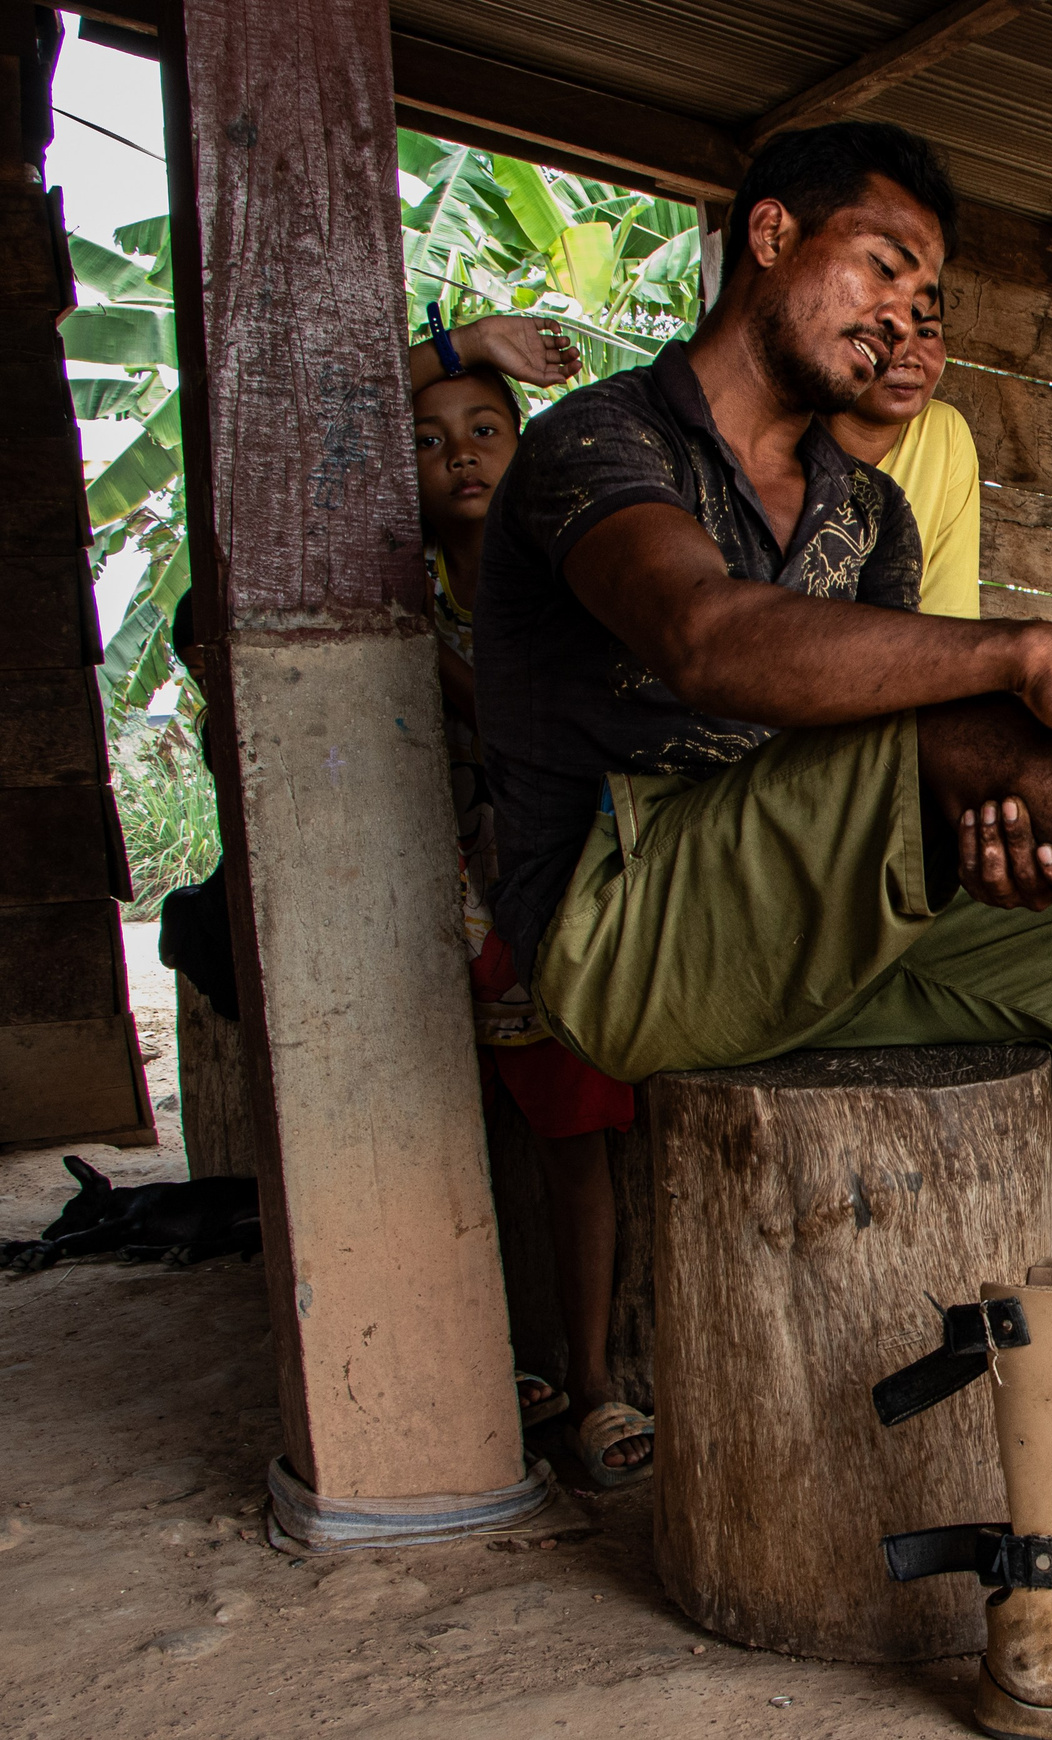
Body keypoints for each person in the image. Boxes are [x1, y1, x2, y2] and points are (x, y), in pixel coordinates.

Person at [472, 119, 1052, 1699]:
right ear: (771, 236)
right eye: (882, 267)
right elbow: (707, 641)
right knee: (986, 691)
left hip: (805, 925)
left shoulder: (870, 515)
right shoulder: (602, 444)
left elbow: (908, 750)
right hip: (627, 922)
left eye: (928, 299)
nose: (903, 315)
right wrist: (1028, 654)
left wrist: (999, 833)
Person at [412, 318, 661, 1489]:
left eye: (486, 431)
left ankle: (597, 1378)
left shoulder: (566, 579)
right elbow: (331, 416)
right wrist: (462, 341)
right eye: (428, 440)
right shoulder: (391, 582)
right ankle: (488, 1366)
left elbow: (514, 710)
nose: (461, 454)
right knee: (435, 1137)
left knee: (572, 1139)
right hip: (427, 904)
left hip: (542, 895)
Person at [830, 292, 981, 620]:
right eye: (886, 329)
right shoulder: (785, 432)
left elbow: (944, 625)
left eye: (926, 332)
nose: (909, 357)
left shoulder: (943, 435)